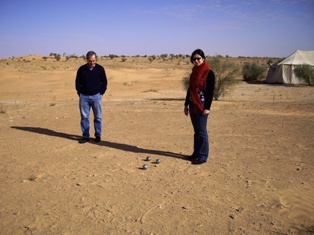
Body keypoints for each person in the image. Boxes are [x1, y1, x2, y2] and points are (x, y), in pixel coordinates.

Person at [184, 49, 215, 164]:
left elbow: (211, 92)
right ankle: (196, 153)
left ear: (203, 59)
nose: (196, 61)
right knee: (196, 131)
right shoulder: (194, 72)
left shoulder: (208, 72)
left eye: (198, 58)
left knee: (202, 131)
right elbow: (190, 90)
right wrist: (186, 104)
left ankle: (203, 156)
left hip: (202, 105)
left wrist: (207, 108)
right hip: (192, 104)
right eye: (194, 59)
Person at [75, 51, 107, 143]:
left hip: (96, 96)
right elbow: (77, 82)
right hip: (84, 97)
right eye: (90, 61)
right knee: (84, 117)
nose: (92, 63)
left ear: (96, 59)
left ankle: (98, 135)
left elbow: (104, 82)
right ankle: (85, 136)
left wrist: (101, 92)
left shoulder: (100, 69)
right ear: (87, 60)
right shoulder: (81, 69)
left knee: (98, 117)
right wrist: (80, 93)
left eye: (94, 61)